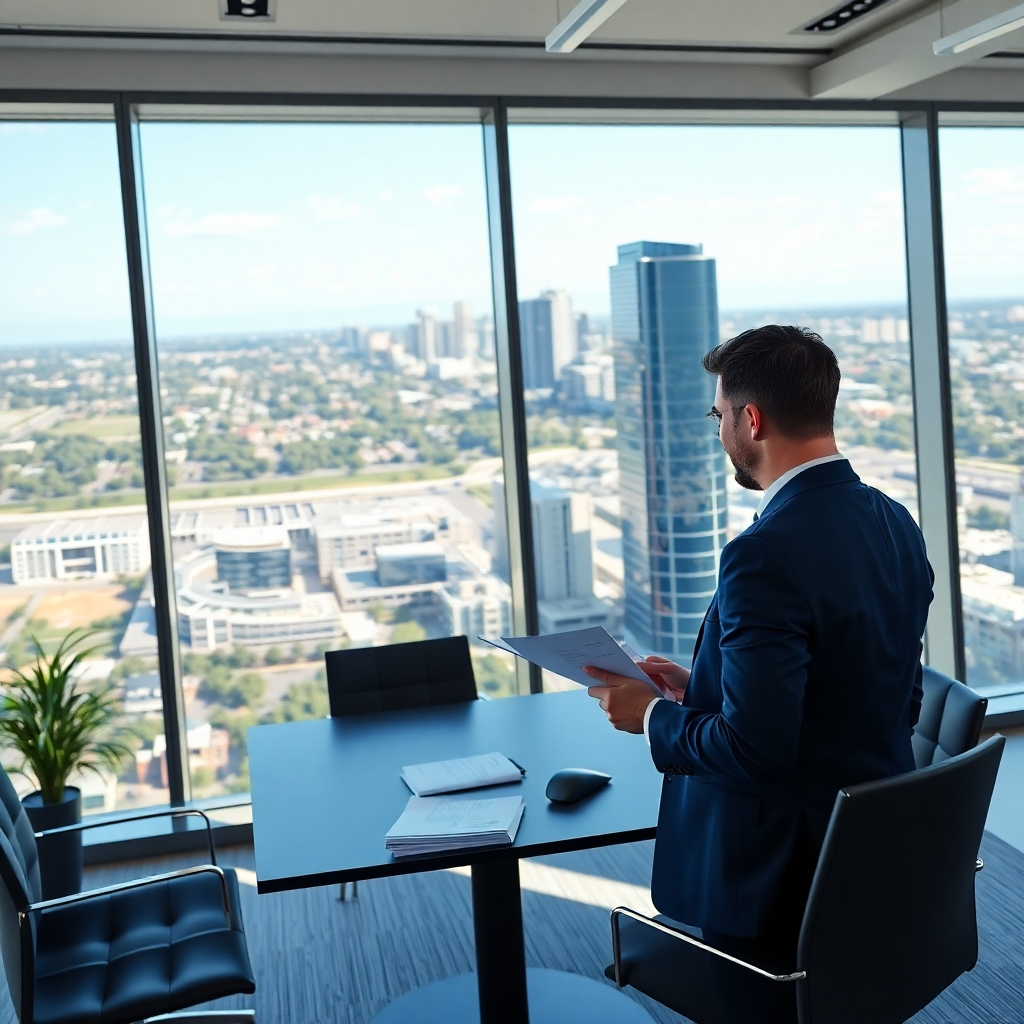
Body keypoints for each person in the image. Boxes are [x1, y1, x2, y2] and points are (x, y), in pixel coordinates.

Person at [585, 325, 933, 1024]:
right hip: (867, 853)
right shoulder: (894, 522)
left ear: (752, 419)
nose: (719, 434)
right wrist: (703, 683)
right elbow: (881, 686)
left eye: (719, 416)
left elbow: (755, 750)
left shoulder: (763, 553)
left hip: (776, 883)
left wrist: (651, 715)